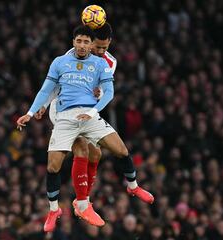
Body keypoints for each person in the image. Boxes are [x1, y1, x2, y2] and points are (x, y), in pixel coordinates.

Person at [16, 25, 154, 233]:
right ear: (74, 42)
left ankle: (131, 187)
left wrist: (94, 106)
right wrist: (36, 109)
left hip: (89, 113)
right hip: (62, 112)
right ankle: (68, 207)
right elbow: (49, 88)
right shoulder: (62, 61)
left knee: (110, 151)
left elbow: (107, 92)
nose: (88, 47)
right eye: (79, 41)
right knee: (63, 160)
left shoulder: (105, 63)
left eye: (92, 44)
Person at [34, 23, 118, 213]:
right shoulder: (68, 58)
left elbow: (104, 90)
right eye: (97, 46)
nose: (100, 51)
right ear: (89, 43)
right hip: (63, 109)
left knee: (96, 154)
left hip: (86, 110)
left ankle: (84, 200)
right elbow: (56, 85)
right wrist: (44, 104)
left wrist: (99, 93)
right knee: (81, 149)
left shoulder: (109, 62)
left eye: (104, 48)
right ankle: (81, 204)